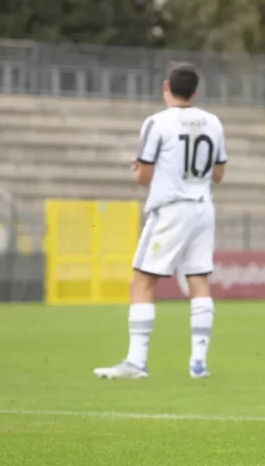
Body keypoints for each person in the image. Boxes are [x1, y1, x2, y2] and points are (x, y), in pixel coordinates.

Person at [94, 63, 227, 380]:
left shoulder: (157, 122)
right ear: (195, 91)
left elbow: (144, 177)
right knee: (199, 280)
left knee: (142, 281)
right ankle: (198, 363)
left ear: (166, 86)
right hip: (203, 207)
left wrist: (141, 168)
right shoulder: (213, 122)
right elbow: (219, 174)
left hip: (171, 209)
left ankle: (136, 362)